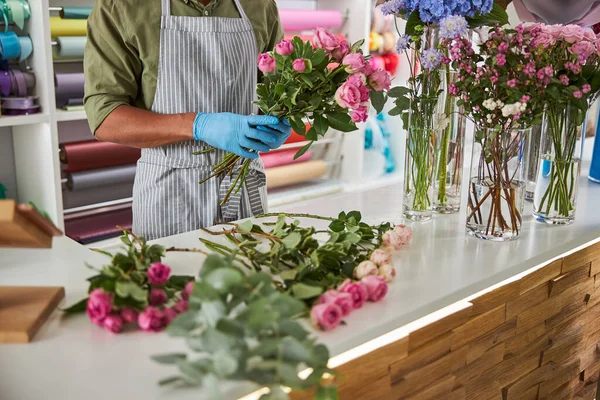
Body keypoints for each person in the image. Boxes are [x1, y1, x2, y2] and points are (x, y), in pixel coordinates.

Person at [84, 0, 291, 240]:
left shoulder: (260, 5)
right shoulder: (122, 7)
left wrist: (279, 120)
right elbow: (104, 117)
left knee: (249, 274)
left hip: (243, 187)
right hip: (170, 196)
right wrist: (198, 125)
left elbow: (277, 92)